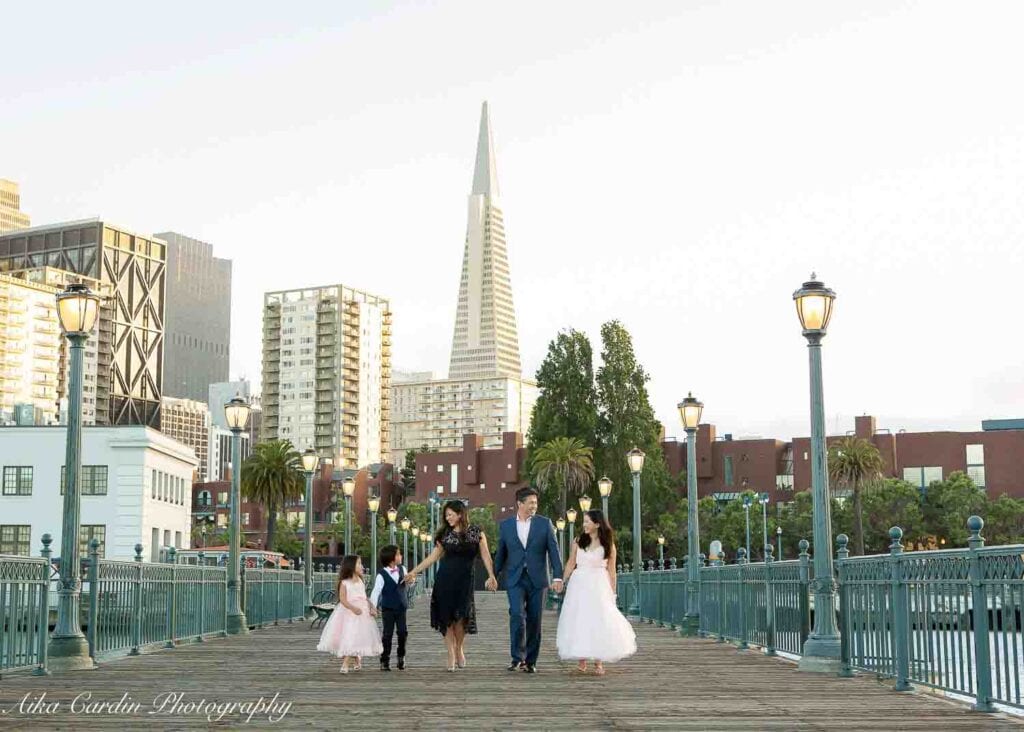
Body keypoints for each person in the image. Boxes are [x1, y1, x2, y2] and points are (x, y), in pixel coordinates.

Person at [405, 500, 497, 672]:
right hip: (445, 580)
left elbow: (485, 556)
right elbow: (432, 558)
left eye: (450, 515)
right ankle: (450, 654)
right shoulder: (444, 535)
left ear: (460, 514)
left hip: (465, 581)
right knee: (446, 619)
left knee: (461, 619)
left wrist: (492, 575)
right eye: (445, 515)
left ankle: (459, 647)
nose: (447, 518)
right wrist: (413, 571)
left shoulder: (477, 533)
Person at [492, 486, 564, 673]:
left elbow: (554, 552)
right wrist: (493, 574)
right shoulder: (506, 525)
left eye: (536, 502)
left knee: (535, 620)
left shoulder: (544, 523)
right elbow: (501, 553)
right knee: (516, 615)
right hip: (515, 578)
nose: (534, 505)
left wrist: (557, 576)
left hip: (538, 579)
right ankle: (517, 657)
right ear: (519, 503)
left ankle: (530, 661)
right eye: (531, 502)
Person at [556, 510, 636, 675]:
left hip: (599, 584)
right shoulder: (578, 541)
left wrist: (613, 593)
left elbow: (612, 571)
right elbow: (571, 562)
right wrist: (562, 580)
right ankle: (581, 660)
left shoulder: (608, 544)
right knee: (579, 618)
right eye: (583, 522)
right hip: (579, 584)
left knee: (598, 619)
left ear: (597, 524)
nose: (584, 525)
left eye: (587, 522)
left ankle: (599, 662)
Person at [316, 555, 383, 673]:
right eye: (359, 564)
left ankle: (357, 657)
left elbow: (364, 597)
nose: (361, 566)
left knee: (358, 636)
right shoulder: (344, 582)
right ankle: (346, 662)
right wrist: (353, 608)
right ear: (351, 566)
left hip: (362, 612)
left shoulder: (361, 581)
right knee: (350, 635)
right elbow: (343, 599)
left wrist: (372, 607)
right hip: (349, 613)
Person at [369, 545, 413, 671]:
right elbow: (376, 592)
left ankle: (401, 656)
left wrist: (411, 580)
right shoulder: (381, 575)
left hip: (401, 607)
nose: (401, 556)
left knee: (402, 633)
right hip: (388, 608)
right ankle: (384, 660)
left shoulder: (402, 569)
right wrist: (373, 606)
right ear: (391, 558)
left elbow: (409, 582)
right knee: (387, 634)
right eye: (398, 554)